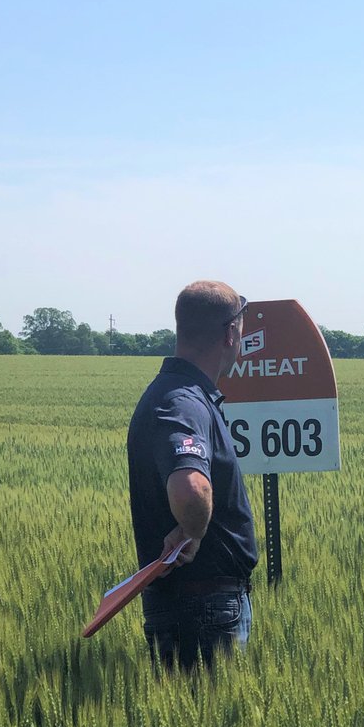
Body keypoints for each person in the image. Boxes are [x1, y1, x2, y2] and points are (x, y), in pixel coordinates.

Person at [127, 280, 259, 670]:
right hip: (203, 606)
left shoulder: (176, 394)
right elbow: (190, 487)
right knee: (216, 720)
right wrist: (194, 530)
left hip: (195, 603)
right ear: (231, 333)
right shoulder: (182, 402)